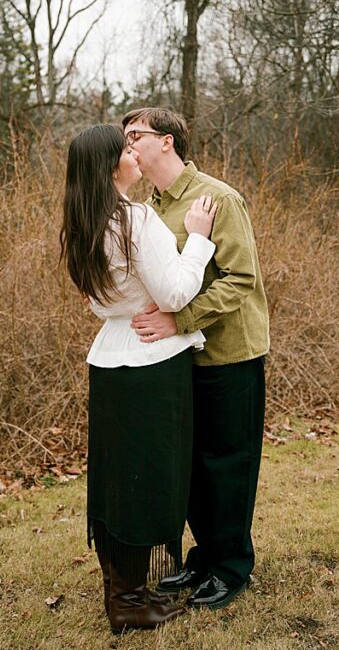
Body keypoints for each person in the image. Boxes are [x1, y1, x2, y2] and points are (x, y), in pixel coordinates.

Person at [60, 123, 217, 633]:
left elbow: (98, 303)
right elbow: (173, 295)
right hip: (152, 362)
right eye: (126, 149)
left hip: (110, 359)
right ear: (112, 165)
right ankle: (128, 603)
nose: (134, 154)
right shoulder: (134, 217)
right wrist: (198, 240)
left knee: (116, 481)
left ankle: (122, 592)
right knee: (146, 480)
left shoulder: (82, 223)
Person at [120, 107, 270, 610]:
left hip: (229, 354)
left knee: (228, 463)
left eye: (135, 136)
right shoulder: (148, 209)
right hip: (177, 360)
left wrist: (179, 320)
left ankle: (231, 568)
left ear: (167, 141)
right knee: (191, 466)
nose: (128, 146)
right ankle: (203, 559)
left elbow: (241, 279)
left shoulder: (218, 198)